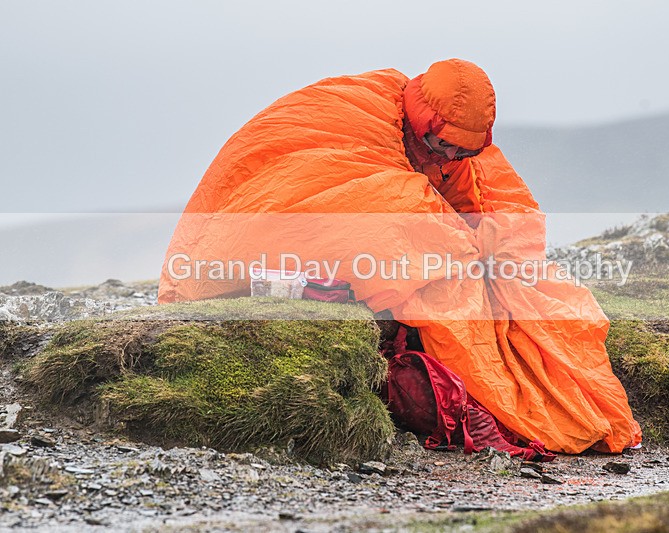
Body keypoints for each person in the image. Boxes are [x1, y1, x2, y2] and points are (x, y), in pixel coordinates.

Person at [159, 59, 642, 454]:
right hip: (251, 238)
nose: (450, 159)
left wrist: (486, 245)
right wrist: (455, 246)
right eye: (444, 146)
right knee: (419, 235)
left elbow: (501, 212)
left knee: (499, 272)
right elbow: (347, 193)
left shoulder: (451, 149)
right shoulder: (357, 117)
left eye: (462, 152)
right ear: (425, 120)